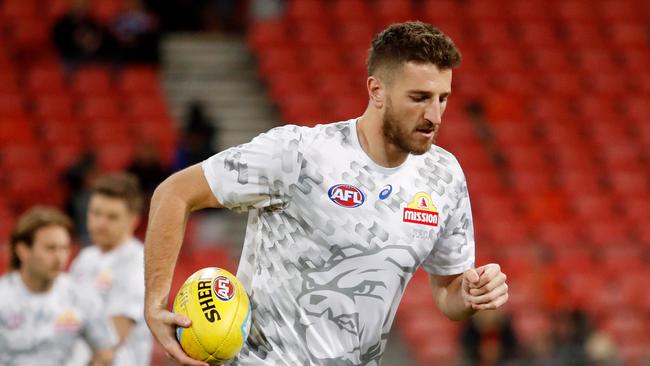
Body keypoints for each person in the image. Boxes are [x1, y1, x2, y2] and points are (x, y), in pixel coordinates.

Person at [144, 21, 510, 366]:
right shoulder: (299, 154)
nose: (434, 114)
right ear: (376, 90)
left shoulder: (443, 176)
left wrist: (469, 294)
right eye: (419, 97)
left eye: (443, 98)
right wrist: (155, 302)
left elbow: (448, 292)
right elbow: (174, 193)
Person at [0, 206, 116, 365]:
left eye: (64, 248)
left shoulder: (80, 296)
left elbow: (106, 351)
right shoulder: (3, 297)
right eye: (50, 248)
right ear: (23, 251)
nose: (59, 257)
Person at [68, 173, 153, 365]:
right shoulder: (83, 259)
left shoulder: (138, 262)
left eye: (112, 216)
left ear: (133, 220)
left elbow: (115, 333)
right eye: (96, 213)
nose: (101, 223)